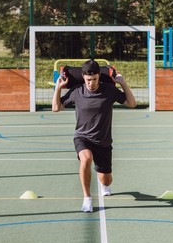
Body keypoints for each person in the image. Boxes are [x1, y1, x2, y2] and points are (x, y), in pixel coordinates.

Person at [52, 59, 136, 212]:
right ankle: (87, 199)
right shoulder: (77, 91)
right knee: (86, 158)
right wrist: (58, 88)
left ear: (99, 76)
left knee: (106, 179)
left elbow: (132, 103)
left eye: (95, 79)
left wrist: (123, 83)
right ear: (83, 77)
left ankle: (105, 184)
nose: (91, 83)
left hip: (103, 141)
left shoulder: (109, 91)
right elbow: (56, 108)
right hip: (82, 137)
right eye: (88, 80)